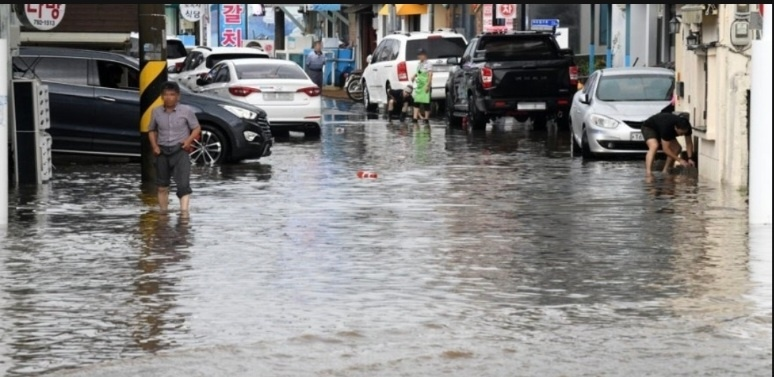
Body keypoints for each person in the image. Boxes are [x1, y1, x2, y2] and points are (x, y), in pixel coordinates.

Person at [148, 81, 202, 213]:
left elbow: (196, 128)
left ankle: (184, 214)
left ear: (178, 96)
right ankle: (163, 214)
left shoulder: (186, 111)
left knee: (183, 186)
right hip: (162, 151)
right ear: (162, 96)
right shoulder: (156, 112)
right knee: (162, 186)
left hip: (180, 151)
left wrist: (188, 141)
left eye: (172, 94)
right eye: (165, 95)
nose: (168, 97)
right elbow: (152, 130)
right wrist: (154, 146)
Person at [641, 112, 695, 177]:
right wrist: (679, 160)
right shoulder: (667, 127)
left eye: (684, 133)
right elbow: (665, 149)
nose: (682, 135)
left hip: (663, 127)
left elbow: (689, 143)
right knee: (654, 146)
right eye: (681, 134)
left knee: (677, 148)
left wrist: (690, 158)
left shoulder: (687, 127)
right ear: (675, 128)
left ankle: (665, 170)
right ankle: (648, 173)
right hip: (649, 127)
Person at [411, 48, 433, 125]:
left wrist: (428, 85)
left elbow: (430, 74)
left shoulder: (428, 64)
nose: (419, 56)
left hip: (425, 85)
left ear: (424, 55)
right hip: (419, 86)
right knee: (416, 101)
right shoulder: (419, 64)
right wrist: (414, 76)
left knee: (426, 102)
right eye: (418, 55)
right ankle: (415, 118)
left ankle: (426, 119)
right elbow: (419, 72)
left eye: (420, 55)